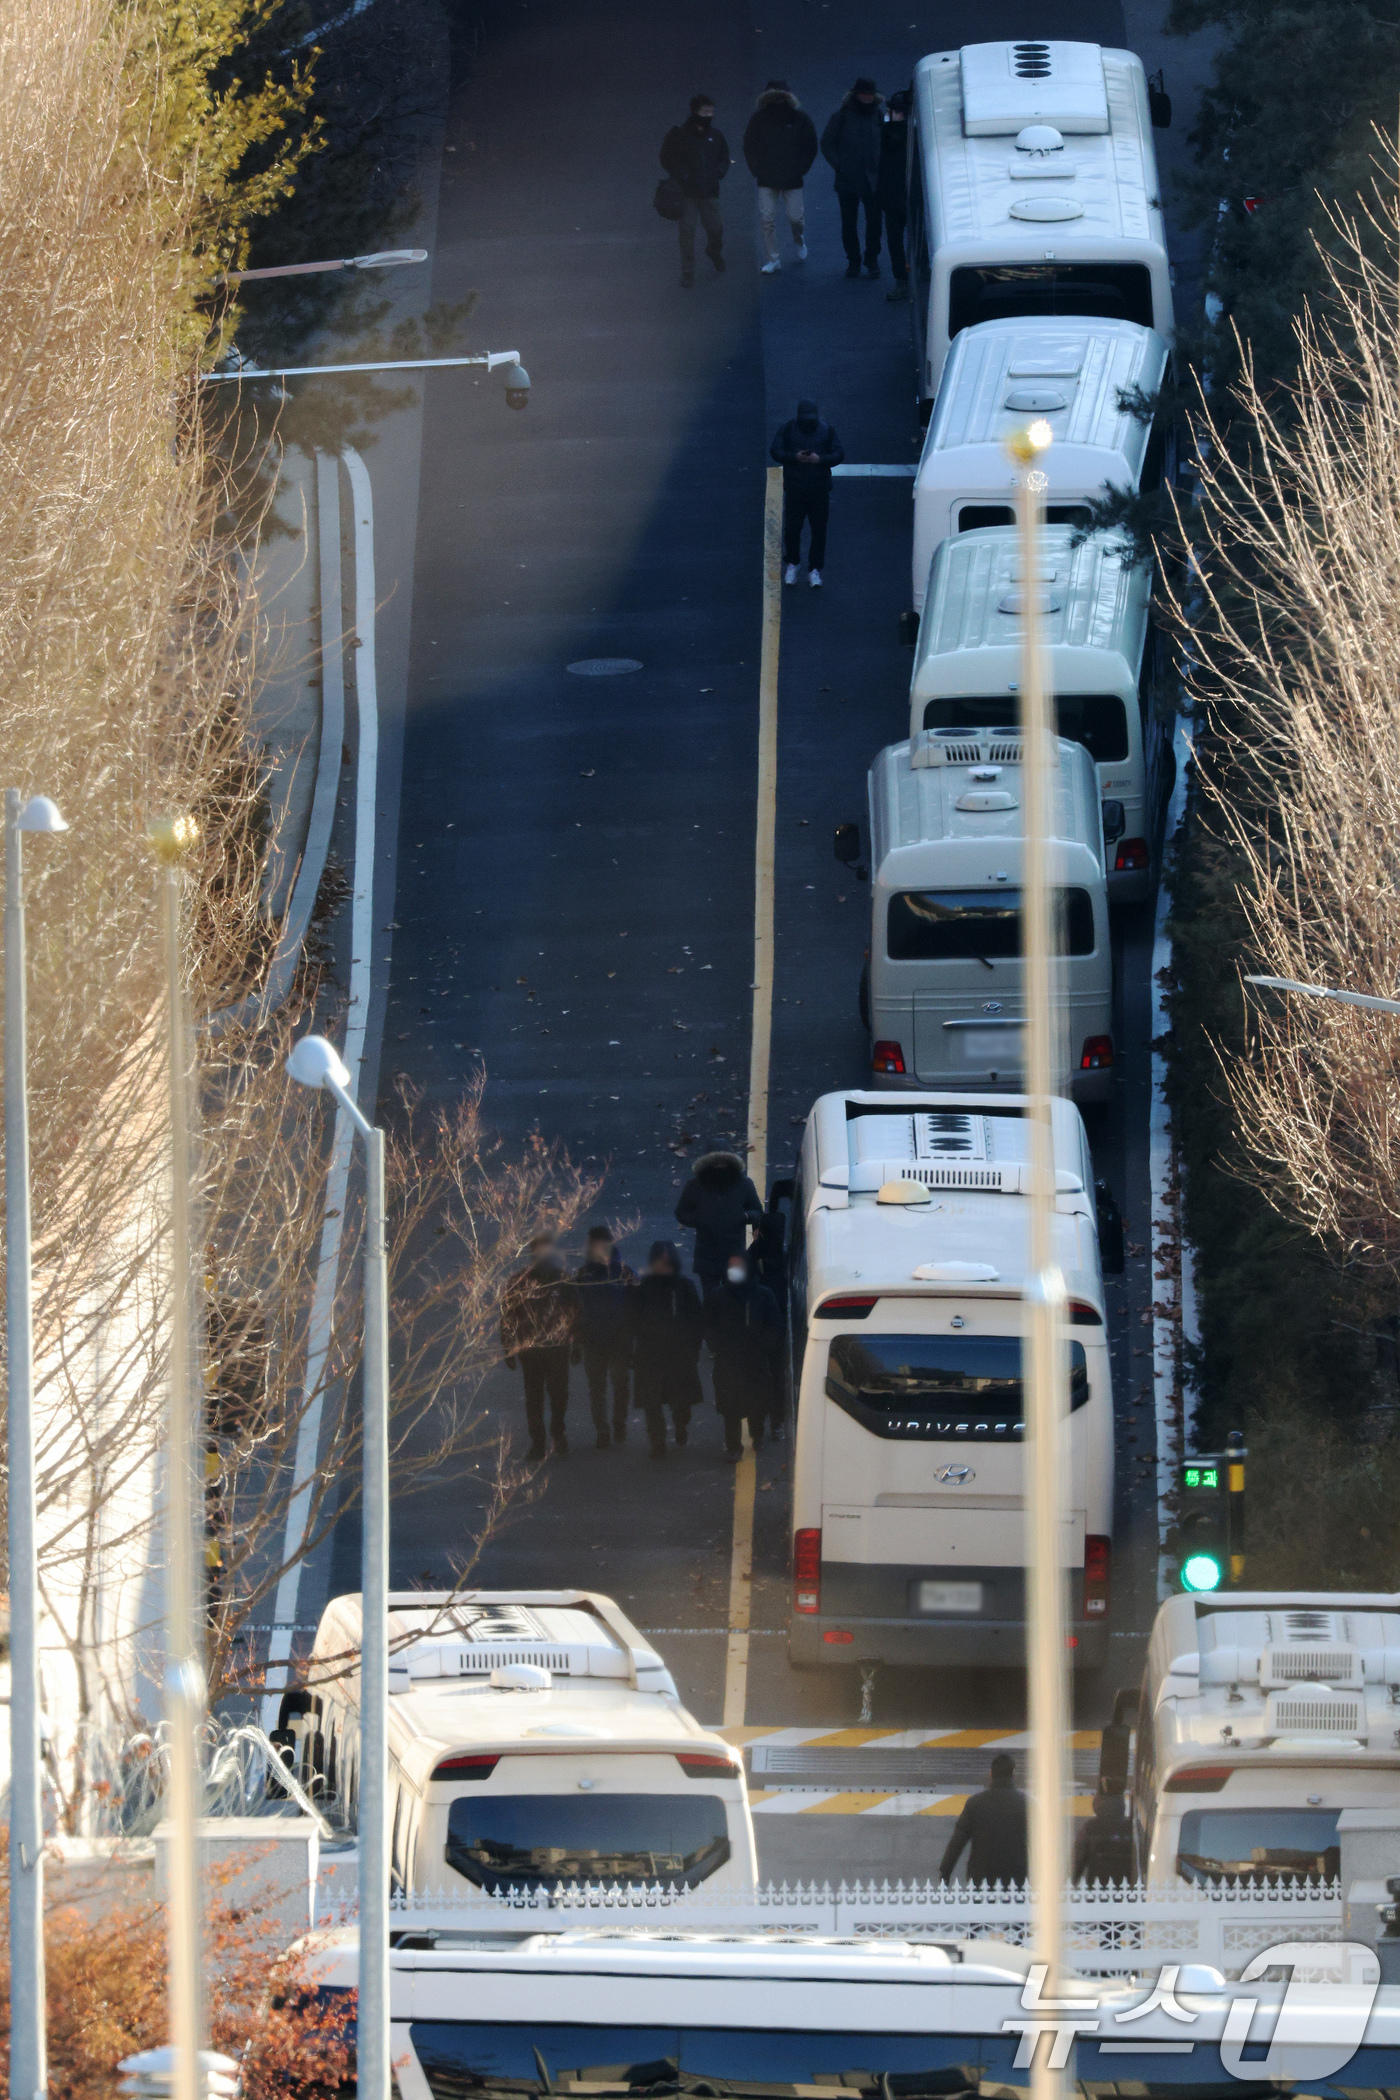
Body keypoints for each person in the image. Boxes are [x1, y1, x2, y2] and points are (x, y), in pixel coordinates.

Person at [500, 1232, 576, 1461]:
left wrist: (576, 1342)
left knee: (558, 1394)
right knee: (534, 1397)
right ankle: (539, 1442)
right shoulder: (518, 1282)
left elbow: (575, 1313)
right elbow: (508, 1316)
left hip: (556, 1348)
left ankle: (557, 1432)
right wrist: (508, 1346)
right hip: (530, 1349)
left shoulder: (563, 1280)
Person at [626, 1240, 704, 1459]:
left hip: (679, 1354)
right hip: (650, 1354)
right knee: (652, 1402)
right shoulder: (642, 1288)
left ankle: (681, 1425)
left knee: (681, 1401)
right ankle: (658, 1442)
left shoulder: (684, 1286)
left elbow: (697, 1318)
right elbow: (631, 1319)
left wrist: (693, 1348)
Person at [705, 1249, 784, 1459]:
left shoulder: (763, 1295)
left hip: (755, 1360)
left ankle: (757, 1435)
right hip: (728, 1360)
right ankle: (733, 1447)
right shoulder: (718, 1296)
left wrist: (765, 1346)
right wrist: (716, 1346)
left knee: (757, 1404)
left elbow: (774, 1324)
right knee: (730, 1406)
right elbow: (709, 1324)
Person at [742, 79, 817, 274]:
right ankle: (773, 258)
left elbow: (810, 146)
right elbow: (749, 147)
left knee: (795, 219)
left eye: (781, 97)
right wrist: (757, 170)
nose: (778, 101)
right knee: (767, 220)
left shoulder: (800, 119)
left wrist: (800, 169)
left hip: (792, 179)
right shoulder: (758, 120)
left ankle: (799, 241)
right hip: (767, 180)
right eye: (774, 97)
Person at [573, 1225, 636, 1449]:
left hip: (618, 1339)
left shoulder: (623, 1272)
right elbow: (574, 1308)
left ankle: (618, 1423)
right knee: (598, 1388)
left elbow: (636, 1305)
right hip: (593, 1340)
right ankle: (602, 1430)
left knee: (620, 1384)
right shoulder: (583, 1275)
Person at [769, 399, 845, 588]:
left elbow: (839, 454)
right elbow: (775, 451)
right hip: (796, 489)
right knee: (793, 530)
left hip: (818, 490)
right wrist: (795, 457)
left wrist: (819, 460)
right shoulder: (788, 429)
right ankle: (793, 563)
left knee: (818, 531)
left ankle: (814, 569)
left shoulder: (826, 431)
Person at [660, 94, 731, 289]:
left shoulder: (716, 136)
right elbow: (666, 158)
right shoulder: (680, 135)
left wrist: (719, 173)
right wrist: (683, 176)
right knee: (687, 232)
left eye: (711, 112)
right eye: (705, 112)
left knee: (716, 229)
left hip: (709, 192)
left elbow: (724, 157)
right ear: (695, 112)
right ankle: (688, 272)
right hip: (687, 194)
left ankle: (714, 251)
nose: (709, 115)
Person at [821, 78, 884, 279]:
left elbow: (885, 142)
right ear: (856, 94)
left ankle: (871, 259)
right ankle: (854, 261)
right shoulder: (842, 116)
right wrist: (840, 166)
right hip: (848, 179)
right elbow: (827, 143)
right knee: (849, 223)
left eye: (870, 93)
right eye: (864, 93)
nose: (867, 96)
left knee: (875, 222)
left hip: (872, 179)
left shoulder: (878, 116)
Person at [675, 1148, 764, 1292]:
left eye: (723, 1163)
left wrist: (743, 1216)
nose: (720, 1167)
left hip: (735, 1254)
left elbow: (758, 1213)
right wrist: (700, 1219)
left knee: (737, 1295)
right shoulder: (695, 1186)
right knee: (711, 1299)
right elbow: (681, 1213)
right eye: (715, 1164)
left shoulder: (744, 1184)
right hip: (707, 1255)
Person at [938, 1752, 1029, 1886]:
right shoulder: (1027, 1804)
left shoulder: (974, 1804)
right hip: (1017, 1880)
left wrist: (945, 1872)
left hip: (982, 1879)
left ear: (991, 1773)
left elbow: (957, 1842)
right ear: (1013, 1774)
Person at [879, 89, 911, 302]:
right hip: (909, 196)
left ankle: (902, 279)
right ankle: (915, 275)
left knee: (895, 240)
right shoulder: (919, 133)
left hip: (892, 195)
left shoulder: (885, 132)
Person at [1071, 1785, 1134, 1885]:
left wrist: (1074, 1879)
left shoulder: (1091, 1826)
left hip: (1097, 1882)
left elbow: (1080, 1855)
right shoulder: (1130, 1826)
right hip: (1125, 1884)